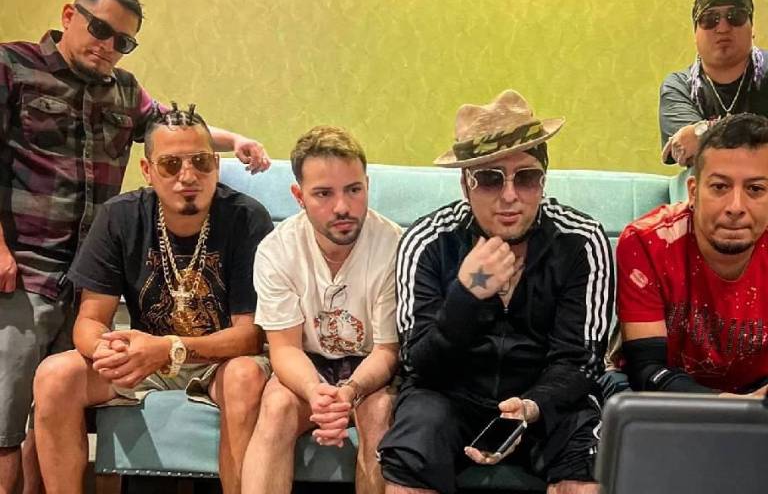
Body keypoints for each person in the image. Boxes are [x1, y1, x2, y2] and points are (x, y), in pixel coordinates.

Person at [0, 0, 269, 491]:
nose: (108, 45)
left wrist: (235, 141)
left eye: (122, 41)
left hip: (98, 279)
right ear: (70, 15)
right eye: (100, 29)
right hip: (24, 263)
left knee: (42, 408)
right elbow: (93, 323)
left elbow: (171, 127)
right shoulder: (12, 66)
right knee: (13, 412)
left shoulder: (125, 91)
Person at [377, 90, 614, 494]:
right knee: (413, 444)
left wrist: (531, 407)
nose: (509, 196)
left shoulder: (581, 241)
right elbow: (419, 365)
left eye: (526, 177)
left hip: (544, 401)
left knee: (586, 461)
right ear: (465, 185)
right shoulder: (428, 241)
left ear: (543, 180)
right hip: (449, 396)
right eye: (489, 179)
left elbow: (579, 362)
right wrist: (467, 296)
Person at [32, 104, 273, 494]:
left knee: (245, 376)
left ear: (215, 164)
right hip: (145, 359)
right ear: (148, 170)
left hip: (220, 361)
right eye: (171, 165)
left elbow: (251, 336)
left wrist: (170, 349)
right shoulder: (120, 217)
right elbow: (90, 320)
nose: (188, 176)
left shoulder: (247, 218)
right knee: (54, 376)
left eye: (200, 162)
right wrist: (108, 350)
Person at [242, 126, 401, 494]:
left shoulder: (394, 246)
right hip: (306, 363)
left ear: (367, 186)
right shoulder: (276, 251)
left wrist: (350, 392)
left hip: (371, 369)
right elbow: (284, 348)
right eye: (324, 194)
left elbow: (387, 350)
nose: (342, 207)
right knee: (277, 407)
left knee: (379, 413)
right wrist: (316, 392)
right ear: (299, 196)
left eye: (354, 190)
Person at [618, 113, 768, 397]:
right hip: (667, 398)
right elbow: (646, 368)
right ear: (693, 192)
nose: (736, 206)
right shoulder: (647, 242)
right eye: (720, 187)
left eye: (755, 189)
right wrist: (731, 407)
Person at [660, 0, 766, 199]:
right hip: (711, 198)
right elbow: (692, 150)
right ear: (695, 34)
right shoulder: (679, 86)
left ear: (752, 28)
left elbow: (703, 143)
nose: (723, 28)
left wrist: (703, 130)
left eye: (735, 16)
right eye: (710, 19)